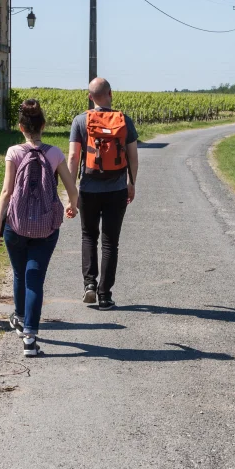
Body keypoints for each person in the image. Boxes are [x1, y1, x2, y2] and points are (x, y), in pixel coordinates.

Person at [0, 99, 78, 356]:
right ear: (43, 125)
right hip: (46, 226)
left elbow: (6, 192)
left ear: (21, 127)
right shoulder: (55, 153)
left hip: (16, 225)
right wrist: (72, 206)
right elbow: (71, 187)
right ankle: (29, 337)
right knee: (35, 278)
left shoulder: (13, 152)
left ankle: (19, 318)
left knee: (20, 274)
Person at [68, 77, 139, 310]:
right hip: (117, 190)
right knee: (110, 243)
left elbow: (73, 157)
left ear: (90, 97)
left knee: (89, 236)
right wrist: (131, 183)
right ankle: (105, 295)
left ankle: (89, 284)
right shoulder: (124, 120)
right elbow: (133, 157)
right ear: (111, 93)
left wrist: (72, 192)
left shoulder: (80, 121)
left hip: (89, 189)